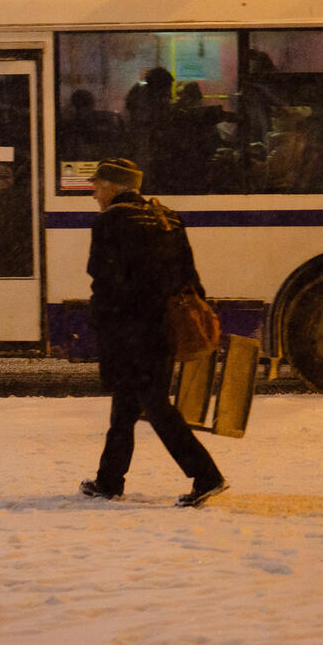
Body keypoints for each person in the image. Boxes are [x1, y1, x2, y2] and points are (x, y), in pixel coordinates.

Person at [80, 157, 228, 507]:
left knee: (156, 407)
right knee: (125, 406)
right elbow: (190, 279)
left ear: (115, 187)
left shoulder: (110, 222)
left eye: (98, 186)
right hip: (162, 327)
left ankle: (207, 475)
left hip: (130, 330)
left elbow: (104, 281)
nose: (94, 195)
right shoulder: (168, 219)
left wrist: (100, 324)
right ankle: (109, 481)